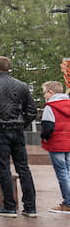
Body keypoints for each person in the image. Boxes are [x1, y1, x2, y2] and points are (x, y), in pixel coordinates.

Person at [0, 56, 38, 217]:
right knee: (23, 167)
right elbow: (32, 111)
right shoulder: (22, 86)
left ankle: (9, 206)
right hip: (17, 130)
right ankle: (30, 206)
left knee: (4, 167)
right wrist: (21, 123)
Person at [40, 81, 70, 214]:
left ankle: (68, 203)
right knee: (68, 172)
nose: (44, 95)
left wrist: (44, 137)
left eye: (44, 92)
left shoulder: (50, 106)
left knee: (62, 174)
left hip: (57, 144)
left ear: (51, 92)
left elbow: (48, 128)